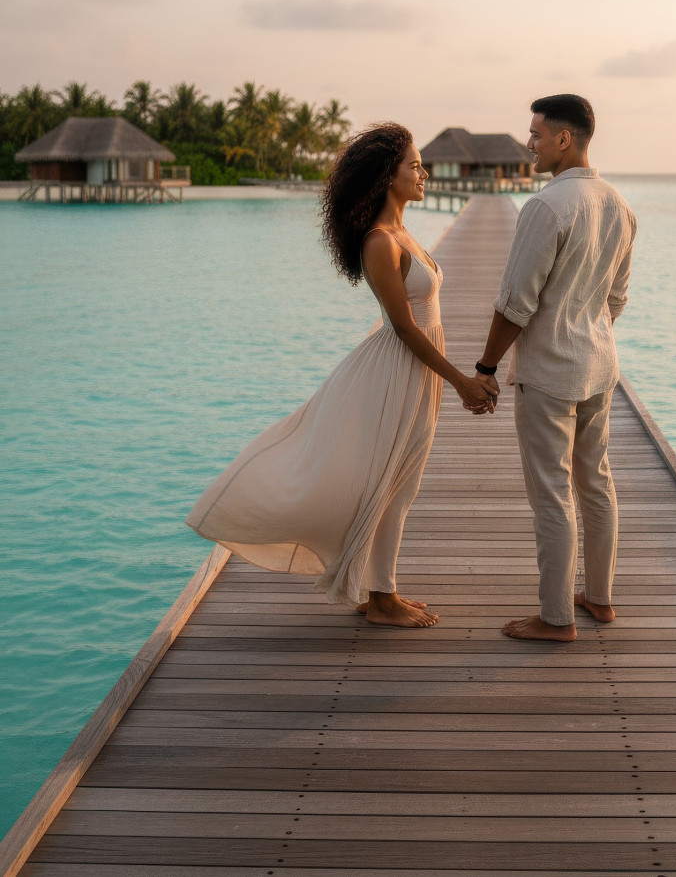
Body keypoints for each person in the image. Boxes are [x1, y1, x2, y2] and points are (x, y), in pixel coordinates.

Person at [186, 123, 494, 628]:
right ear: (386, 176)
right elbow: (401, 327)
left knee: (400, 484)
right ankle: (382, 597)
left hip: (418, 371)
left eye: (421, 164)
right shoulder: (379, 241)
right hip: (397, 370)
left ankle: (379, 592)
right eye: (413, 165)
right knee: (387, 482)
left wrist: (449, 378)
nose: (424, 172)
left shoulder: (402, 232)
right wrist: (460, 380)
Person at [471, 95, 637, 641]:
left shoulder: (546, 207)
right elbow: (616, 299)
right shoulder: (619, 205)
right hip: (598, 364)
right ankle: (601, 597)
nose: (530, 144)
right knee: (596, 482)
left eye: (537, 135)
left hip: (549, 371)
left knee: (552, 491)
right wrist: (588, 328)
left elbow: (515, 303)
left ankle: (556, 617)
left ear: (564, 139)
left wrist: (487, 365)